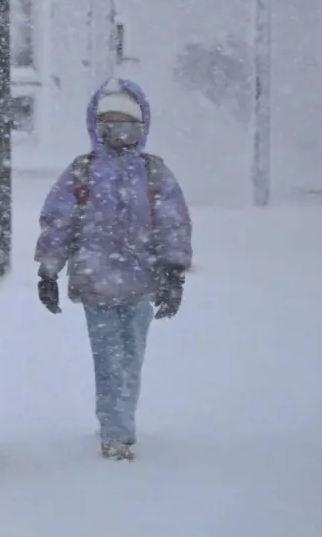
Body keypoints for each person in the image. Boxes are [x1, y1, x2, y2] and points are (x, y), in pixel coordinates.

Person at [34, 79, 193, 461]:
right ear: (96, 125)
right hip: (96, 283)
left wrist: (173, 274)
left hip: (141, 283)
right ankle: (116, 431)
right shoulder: (83, 172)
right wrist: (48, 271)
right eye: (110, 123)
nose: (118, 131)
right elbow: (59, 223)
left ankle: (119, 418)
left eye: (127, 123)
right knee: (108, 358)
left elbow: (173, 224)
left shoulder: (154, 173)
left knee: (131, 356)